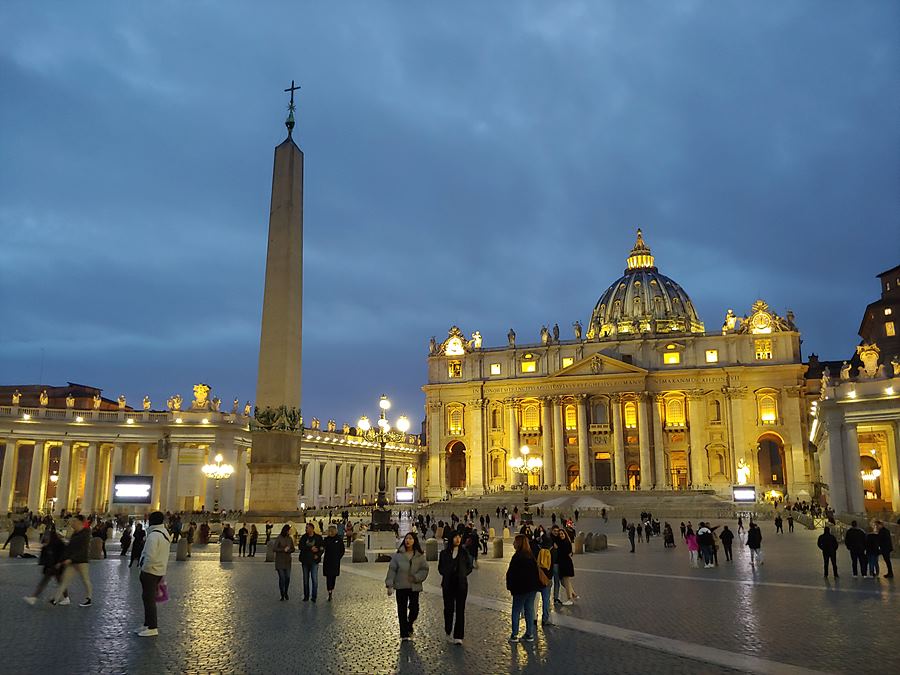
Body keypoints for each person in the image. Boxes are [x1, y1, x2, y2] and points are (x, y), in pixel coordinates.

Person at [385, 533, 430, 641]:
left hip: (414, 586)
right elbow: (392, 570)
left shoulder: (419, 555)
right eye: (406, 538)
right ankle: (404, 633)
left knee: (414, 608)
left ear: (414, 541)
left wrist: (416, 577)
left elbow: (424, 569)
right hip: (401, 586)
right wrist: (389, 584)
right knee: (401, 610)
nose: (408, 541)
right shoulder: (398, 555)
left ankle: (409, 623)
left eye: (410, 538)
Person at [136, 511, 171, 636]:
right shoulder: (165, 533)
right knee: (148, 598)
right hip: (159, 569)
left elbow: (149, 555)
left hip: (150, 571)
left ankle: (152, 627)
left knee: (148, 599)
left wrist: (143, 568)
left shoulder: (153, 536)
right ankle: (147, 624)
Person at [438, 532, 473, 645]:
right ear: (451, 538)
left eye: (459, 537)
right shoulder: (444, 553)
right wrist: (447, 573)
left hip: (461, 584)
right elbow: (440, 568)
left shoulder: (464, 552)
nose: (458, 539)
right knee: (448, 609)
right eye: (455, 537)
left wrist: (462, 574)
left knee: (460, 610)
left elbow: (469, 566)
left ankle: (458, 636)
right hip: (448, 584)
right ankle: (448, 630)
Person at [506, 534, 540, 643]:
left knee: (516, 610)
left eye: (515, 542)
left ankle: (514, 635)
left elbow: (511, 574)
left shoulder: (517, 557)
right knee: (529, 610)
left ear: (519, 543)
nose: (513, 544)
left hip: (520, 589)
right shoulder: (531, 556)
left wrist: (510, 587)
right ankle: (529, 634)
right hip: (532, 588)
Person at [51, 518, 93, 607]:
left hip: (81, 561)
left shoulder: (86, 534)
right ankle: (55, 599)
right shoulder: (75, 534)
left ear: (80, 523)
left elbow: (82, 550)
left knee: (85, 580)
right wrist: (61, 561)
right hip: (72, 562)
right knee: (64, 580)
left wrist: (71, 559)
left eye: (74, 522)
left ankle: (89, 598)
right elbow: (69, 548)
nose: (72, 524)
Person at [24, 529, 68, 605]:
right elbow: (44, 557)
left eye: (47, 537)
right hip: (50, 567)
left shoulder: (59, 544)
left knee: (59, 582)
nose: (46, 538)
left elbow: (63, 554)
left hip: (57, 567)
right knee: (46, 582)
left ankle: (34, 597)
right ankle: (34, 597)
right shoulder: (47, 546)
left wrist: (59, 563)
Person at [298, 523, 324, 602]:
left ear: (312, 529)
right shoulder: (303, 537)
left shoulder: (318, 538)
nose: (306, 529)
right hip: (305, 560)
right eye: (306, 528)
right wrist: (310, 548)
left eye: (307, 528)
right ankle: (306, 596)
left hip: (314, 561)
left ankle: (314, 596)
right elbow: (300, 547)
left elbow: (322, 548)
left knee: (314, 580)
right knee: (305, 580)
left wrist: (318, 555)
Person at [322, 524, 345, 601]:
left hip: (335, 561)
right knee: (328, 577)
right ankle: (329, 591)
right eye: (330, 531)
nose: (331, 532)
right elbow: (322, 548)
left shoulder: (339, 539)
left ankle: (331, 590)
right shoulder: (326, 539)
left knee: (333, 577)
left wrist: (338, 557)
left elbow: (342, 550)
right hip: (328, 561)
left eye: (332, 530)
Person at [555, 528, 577, 604]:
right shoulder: (561, 542)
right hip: (563, 564)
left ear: (565, 534)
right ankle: (574, 594)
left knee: (566, 582)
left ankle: (569, 599)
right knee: (565, 582)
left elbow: (565, 553)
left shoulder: (566, 542)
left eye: (562, 534)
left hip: (566, 564)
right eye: (560, 534)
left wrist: (558, 548)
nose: (561, 535)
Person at [535, 540, 553, 627]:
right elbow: (550, 569)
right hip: (546, 581)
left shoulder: (539, 554)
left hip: (538, 580)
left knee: (534, 600)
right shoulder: (549, 554)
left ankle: (533, 617)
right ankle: (545, 619)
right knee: (546, 601)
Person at [274, 525, 295, 600]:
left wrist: (289, 550)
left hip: (287, 561)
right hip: (280, 561)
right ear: (286, 530)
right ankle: (282, 593)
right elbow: (274, 548)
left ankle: (286, 591)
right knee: (282, 578)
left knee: (287, 578)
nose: (290, 531)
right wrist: (283, 549)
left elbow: (293, 549)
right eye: (289, 530)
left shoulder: (290, 538)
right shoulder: (279, 538)